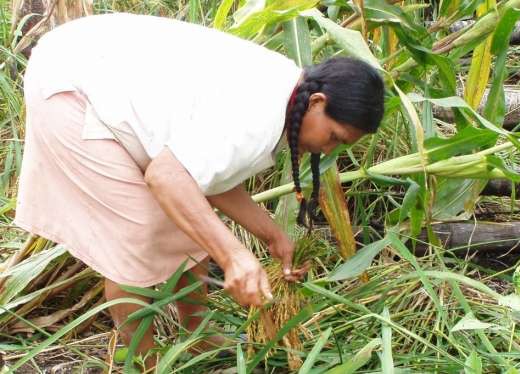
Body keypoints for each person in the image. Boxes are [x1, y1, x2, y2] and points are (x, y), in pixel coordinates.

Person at [15, 12, 384, 365]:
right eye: (333, 136)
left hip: (93, 61)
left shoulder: (288, 96)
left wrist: (270, 234)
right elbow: (168, 177)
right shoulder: (259, 116)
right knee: (141, 234)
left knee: (192, 219)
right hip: (72, 84)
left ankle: (199, 335)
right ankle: (144, 362)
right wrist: (234, 256)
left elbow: (205, 176)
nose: (328, 149)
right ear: (317, 103)